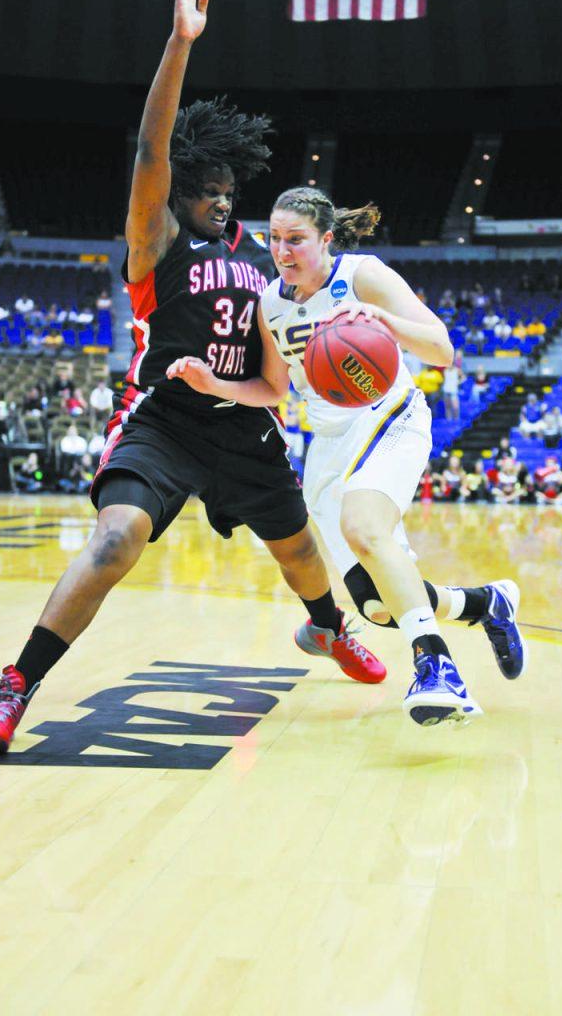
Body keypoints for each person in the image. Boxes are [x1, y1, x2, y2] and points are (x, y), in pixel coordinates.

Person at [0, 0, 381, 755]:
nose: (223, 199)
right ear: (181, 188)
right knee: (116, 537)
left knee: (298, 548)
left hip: (243, 426)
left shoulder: (262, 260)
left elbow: (270, 380)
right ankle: (16, 681)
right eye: (209, 188)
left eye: (230, 189)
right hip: (165, 421)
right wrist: (180, 43)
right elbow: (151, 152)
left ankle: (328, 628)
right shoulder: (155, 240)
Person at [168, 185, 525, 726]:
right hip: (329, 444)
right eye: (275, 239)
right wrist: (211, 381)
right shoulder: (269, 303)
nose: (283, 251)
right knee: (377, 605)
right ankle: (483, 605)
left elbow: (443, 349)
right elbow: (272, 389)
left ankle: (438, 669)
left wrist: (386, 325)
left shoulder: (362, 274)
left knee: (364, 526)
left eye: (297, 240)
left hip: (390, 414)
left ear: (327, 239)